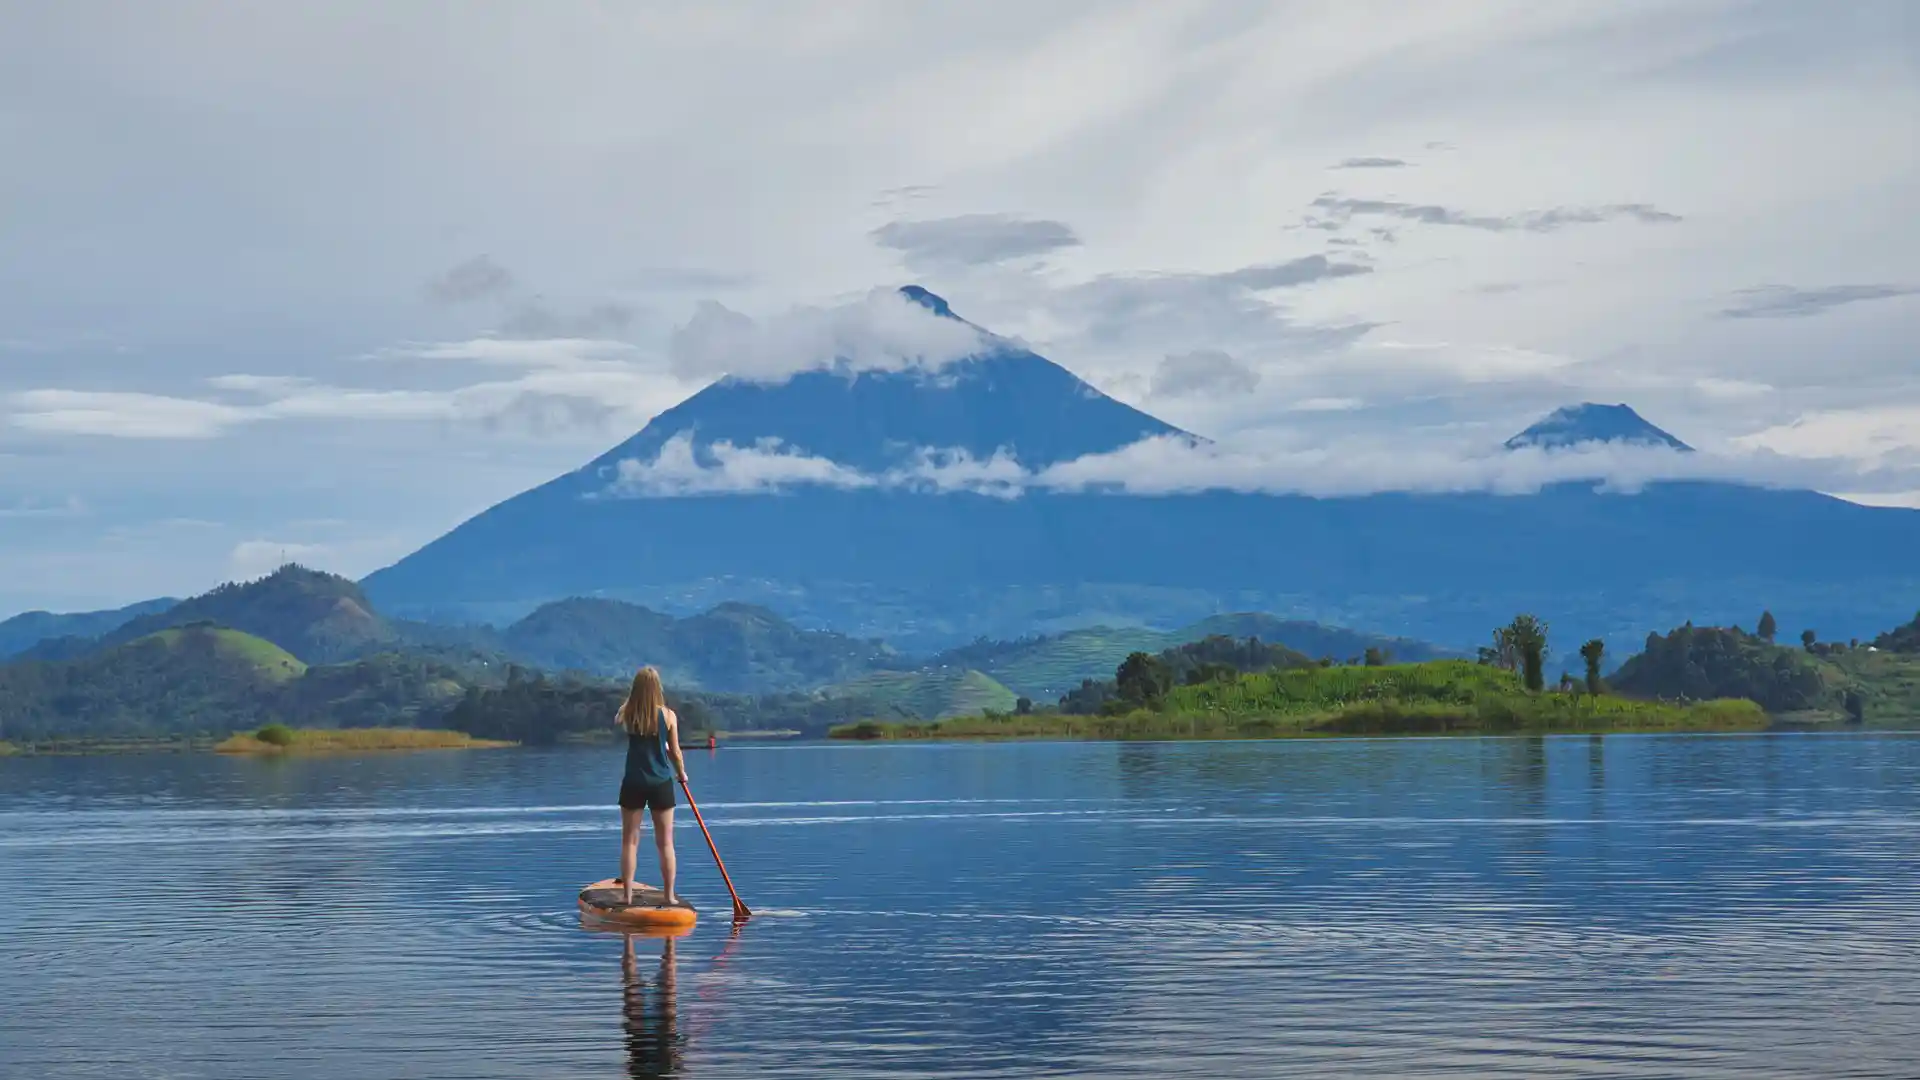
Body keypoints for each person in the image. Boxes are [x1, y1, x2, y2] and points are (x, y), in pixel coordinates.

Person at [613, 666, 688, 908]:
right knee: (665, 842)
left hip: (633, 782)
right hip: (661, 783)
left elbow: (619, 720)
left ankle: (626, 896)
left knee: (630, 841)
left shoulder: (627, 712)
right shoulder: (668, 716)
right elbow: (675, 752)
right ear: (658, 688)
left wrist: (634, 699)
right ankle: (669, 896)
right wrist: (682, 774)